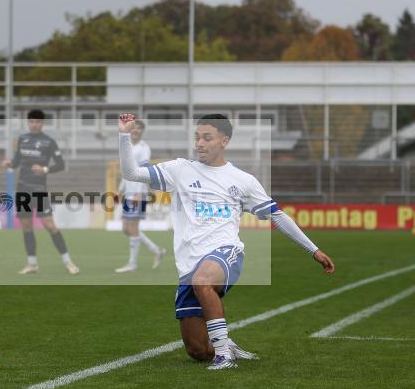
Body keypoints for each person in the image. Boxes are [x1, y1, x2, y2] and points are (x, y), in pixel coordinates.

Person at [117, 112, 335, 370]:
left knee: (203, 281)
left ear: (224, 141)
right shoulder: (179, 169)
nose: (200, 143)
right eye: (197, 137)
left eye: (207, 138)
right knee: (198, 351)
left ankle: (223, 356)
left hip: (225, 253)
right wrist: (124, 135)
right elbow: (131, 173)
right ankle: (225, 346)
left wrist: (313, 250)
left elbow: (277, 215)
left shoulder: (243, 181)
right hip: (188, 264)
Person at [1, 109, 79, 275]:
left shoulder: (48, 142)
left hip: (39, 189)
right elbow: (17, 161)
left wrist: (44, 169)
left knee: (49, 224)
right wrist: (10, 163)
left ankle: (68, 262)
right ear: (28, 122)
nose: (34, 124)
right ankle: (32, 264)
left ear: (42, 123)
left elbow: (61, 165)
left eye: (37, 122)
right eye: (31, 121)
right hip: (23, 189)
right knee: (26, 226)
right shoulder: (22, 139)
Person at [114, 119, 166, 273]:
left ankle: (133, 264)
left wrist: (138, 192)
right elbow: (126, 171)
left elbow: (144, 171)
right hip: (129, 193)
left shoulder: (144, 148)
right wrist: (120, 190)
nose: (136, 130)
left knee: (133, 228)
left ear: (142, 131)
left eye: (139, 128)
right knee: (126, 228)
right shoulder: (127, 147)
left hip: (138, 193)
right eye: (134, 128)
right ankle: (156, 250)